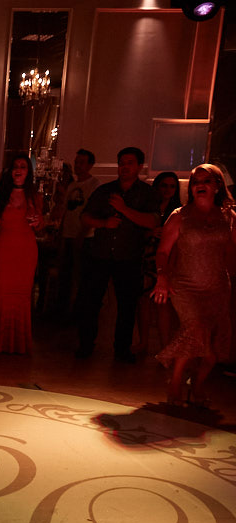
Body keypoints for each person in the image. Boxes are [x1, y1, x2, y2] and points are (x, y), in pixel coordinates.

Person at [152, 164, 236, 405]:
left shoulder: (228, 216)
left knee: (215, 348)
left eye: (206, 181)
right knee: (195, 330)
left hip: (218, 287)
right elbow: (163, 252)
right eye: (196, 181)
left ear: (217, 186)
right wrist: (162, 276)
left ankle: (197, 384)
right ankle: (175, 384)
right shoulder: (180, 216)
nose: (200, 185)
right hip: (186, 286)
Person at [75, 147, 159, 362]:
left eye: (130, 163)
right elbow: (85, 217)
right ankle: (86, 345)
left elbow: (152, 221)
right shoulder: (105, 191)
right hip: (101, 254)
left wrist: (123, 209)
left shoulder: (146, 194)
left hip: (129, 256)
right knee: (91, 302)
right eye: (122, 162)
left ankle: (122, 349)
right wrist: (104, 223)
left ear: (139, 166)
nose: (124, 167)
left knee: (127, 305)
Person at [0, 155, 44, 354]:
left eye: (23, 167)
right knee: (2, 293)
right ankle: (1, 342)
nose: (19, 169)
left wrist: (37, 222)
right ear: (10, 171)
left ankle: (20, 343)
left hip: (26, 249)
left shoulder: (35, 196)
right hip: (5, 247)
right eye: (15, 166)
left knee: (22, 296)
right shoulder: (2, 194)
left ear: (28, 171)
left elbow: (40, 225)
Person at [135, 171, 182, 355]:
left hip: (166, 258)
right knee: (143, 301)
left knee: (163, 304)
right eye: (164, 185)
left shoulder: (178, 211)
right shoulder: (148, 207)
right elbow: (135, 231)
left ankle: (165, 347)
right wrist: (149, 233)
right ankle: (143, 342)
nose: (168, 190)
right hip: (145, 256)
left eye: (172, 186)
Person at [51, 149, 100, 315]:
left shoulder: (94, 185)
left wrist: (82, 234)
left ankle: (78, 312)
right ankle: (62, 309)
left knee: (81, 276)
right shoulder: (72, 185)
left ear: (90, 165)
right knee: (65, 274)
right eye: (77, 162)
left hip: (85, 237)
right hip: (68, 235)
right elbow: (65, 211)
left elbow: (93, 212)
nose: (78, 165)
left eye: (82, 162)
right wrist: (61, 233)